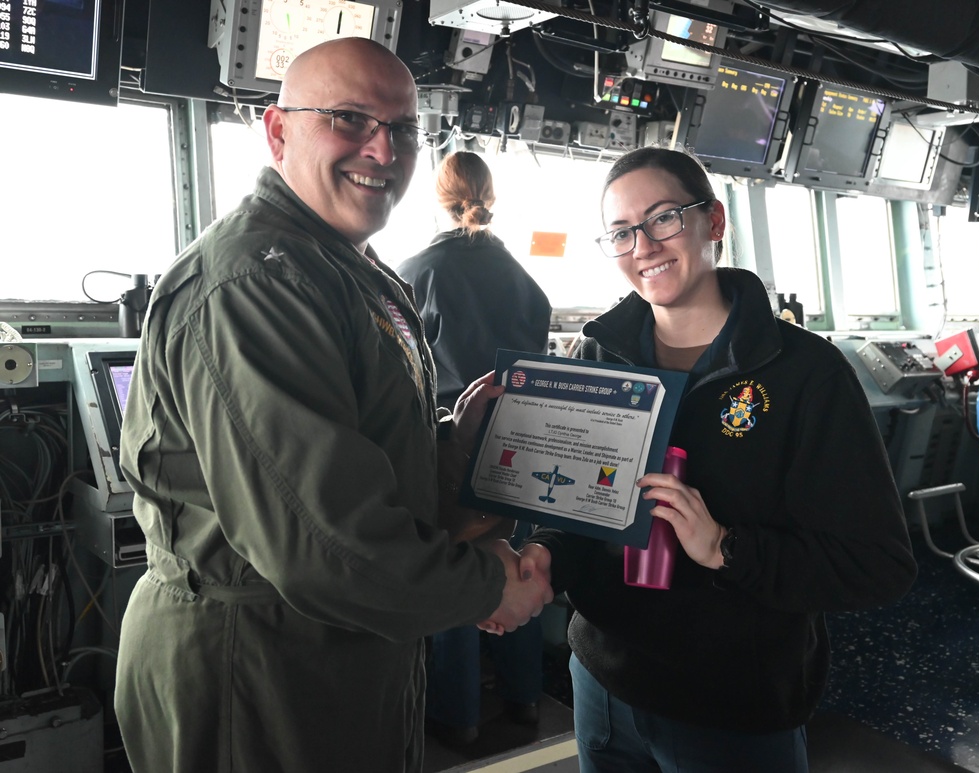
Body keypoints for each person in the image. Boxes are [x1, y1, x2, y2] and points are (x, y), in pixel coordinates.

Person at [114, 39, 551, 773]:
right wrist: (489, 584)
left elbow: (369, 457)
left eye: (405, 128)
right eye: (350, 119)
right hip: (254, 663)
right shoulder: (258, 281)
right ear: (278, 130)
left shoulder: (352, 270)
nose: (384, 150)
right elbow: (320, 541)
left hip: (339, 651)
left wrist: (456, 438)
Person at [514, 146, 918, 772]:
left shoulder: (804, 373)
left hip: (732, 707)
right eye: (622, 232)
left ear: (714, 221)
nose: (643, 244)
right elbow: (574, 509)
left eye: (664, 217)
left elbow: (877, 565)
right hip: (603, 679)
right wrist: (544, 552)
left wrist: (725, 547)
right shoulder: (597, 356)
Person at [397, 151, 552, 744]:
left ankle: (456, 717)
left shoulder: (414, 271)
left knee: (454, 564)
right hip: (521, 438)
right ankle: (525, 702)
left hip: (451, 438)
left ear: (438, 198)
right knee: (514, 561)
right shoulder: (524, 277)